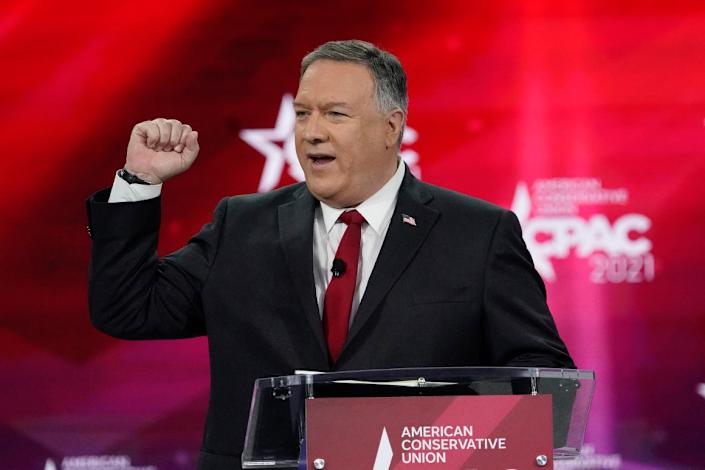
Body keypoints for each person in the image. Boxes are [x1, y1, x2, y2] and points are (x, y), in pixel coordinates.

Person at [86, 40, 574, 469]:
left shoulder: (477, 234)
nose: (311, 132)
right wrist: (139, 182)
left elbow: (547, 385)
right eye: (303, 114)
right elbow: (128, 308)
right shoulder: (241, 225)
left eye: (335, 114)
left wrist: (440, 431)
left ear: (391, 127)